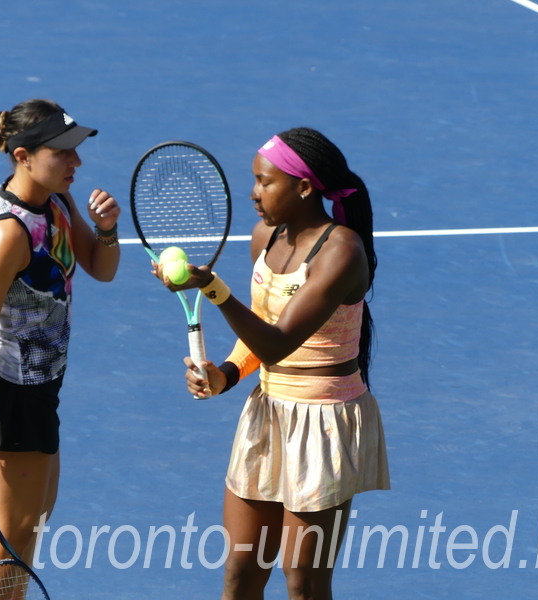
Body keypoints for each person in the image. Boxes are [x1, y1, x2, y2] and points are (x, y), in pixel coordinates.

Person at [156, 127, 389, 599]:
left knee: (303, 579)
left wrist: (213, 289)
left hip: (323, 423)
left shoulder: (341, 252)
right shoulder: (265, 237)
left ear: (304, 188)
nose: (254, 193)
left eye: (265, 182)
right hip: (269, 414)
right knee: (241, 572)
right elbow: (259, 331)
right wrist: (225, 374)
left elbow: (279, 342)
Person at [0, 99, 121, 567]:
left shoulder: (57, 202)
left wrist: (106, 230)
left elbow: (100, 268)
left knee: (28, 532)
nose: (77, 162)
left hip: (41, 388)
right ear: (23, 156)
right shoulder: (7, 235)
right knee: (8, 545)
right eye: (63, 152)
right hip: (8, 395)